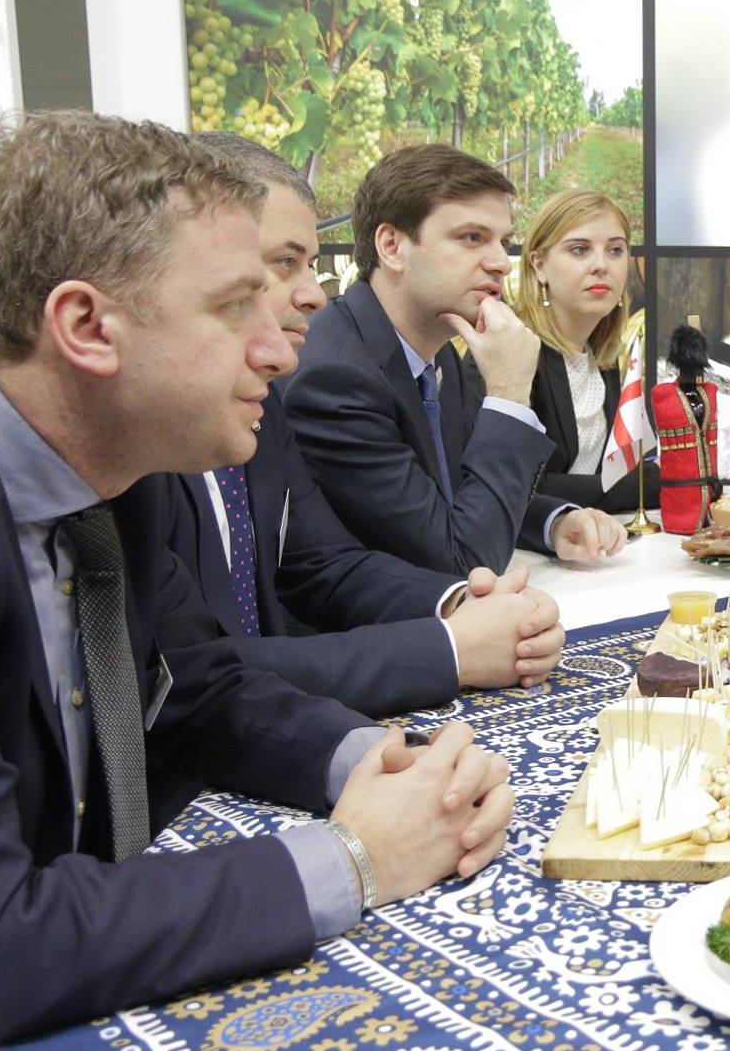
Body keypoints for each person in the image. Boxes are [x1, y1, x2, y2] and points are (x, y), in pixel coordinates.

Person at [0, 112, 513, 1051]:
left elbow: (197, 688)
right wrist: (356, 859)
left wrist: (373, 761)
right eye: (234, 307)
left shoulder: (103, 456)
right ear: (86, 326)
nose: (280, 346)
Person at [162, 134, 564, 720]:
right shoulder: (328, 374)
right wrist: (452, 646)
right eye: (283, 263)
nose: (314, 295)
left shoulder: (437, 362)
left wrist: (458, 604)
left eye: (502, 241)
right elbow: (182, 673)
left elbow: (322, 563)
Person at [281, 144, 628, 576]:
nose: (502, 263)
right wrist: (509, 395)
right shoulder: (335, 378)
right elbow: (461, 557)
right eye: (471, 238)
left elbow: (462, 493)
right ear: (392, 246)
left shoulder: (437, 350)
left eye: (503, 241)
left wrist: (553, 522)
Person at [511, 187, 652, 512]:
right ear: (539, 265)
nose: (601, 265)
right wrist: (653, 484)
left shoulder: (601, 356)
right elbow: (523, 487)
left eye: (615, 250)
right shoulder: (512, 350)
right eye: (579, 250)